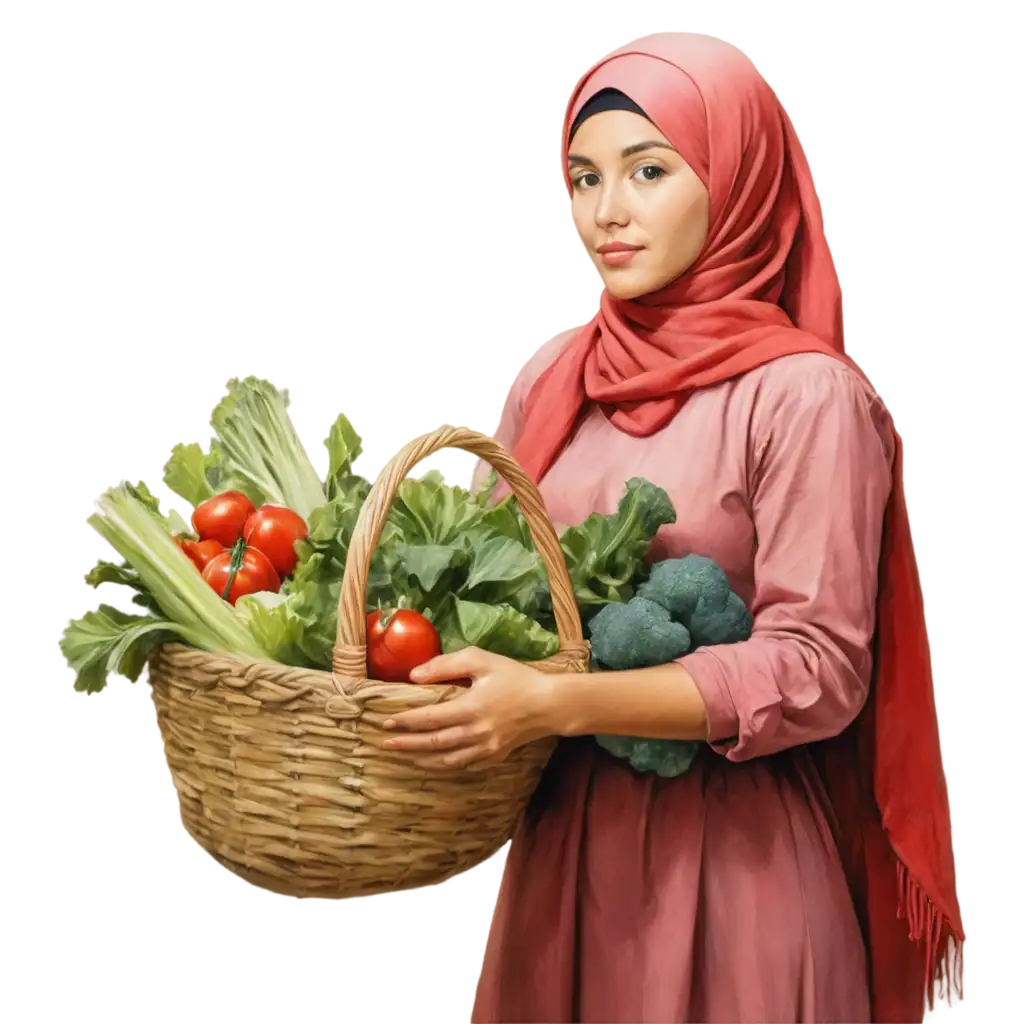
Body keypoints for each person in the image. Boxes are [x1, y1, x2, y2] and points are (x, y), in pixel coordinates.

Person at [380, 24, 962, 1023]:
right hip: (562, 861)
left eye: (647, 171)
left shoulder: (805, 397)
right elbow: (488, 584)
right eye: (582, 178)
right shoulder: (551, 376)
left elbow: (817, 669)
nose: (605, 213)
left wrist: (559, 705)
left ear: (734, 179)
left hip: (734, 873)